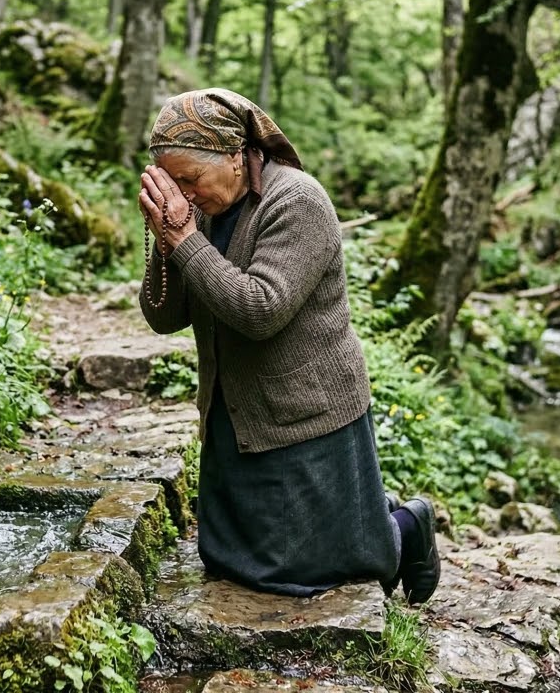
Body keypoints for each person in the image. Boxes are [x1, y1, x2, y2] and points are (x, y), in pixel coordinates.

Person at [136, 88, 440, 602]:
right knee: (228, 560)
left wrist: (186, 240)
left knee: (310, 573)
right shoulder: (200, 211)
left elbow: (260, 310)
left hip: (305, 410)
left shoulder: (297, 200)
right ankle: (373, 518)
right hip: (234, 410)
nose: (183, 194)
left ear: (234, 157)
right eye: (173, 182)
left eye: (190, 179)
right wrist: (166, 245)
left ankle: (406, 528)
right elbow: (163, 318)